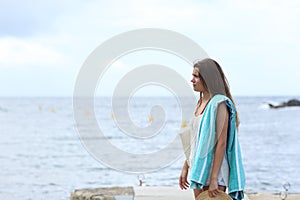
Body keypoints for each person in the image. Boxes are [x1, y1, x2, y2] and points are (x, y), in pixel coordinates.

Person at [179, 58, 245, 200]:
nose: (192, 80)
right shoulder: (200, 103)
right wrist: (186, 167)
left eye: (196, 76)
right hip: (199, 169)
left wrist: (214, 178)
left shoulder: (219, 104)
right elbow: (195, 140)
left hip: (215, 170)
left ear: (207, 78)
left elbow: (221, 143)